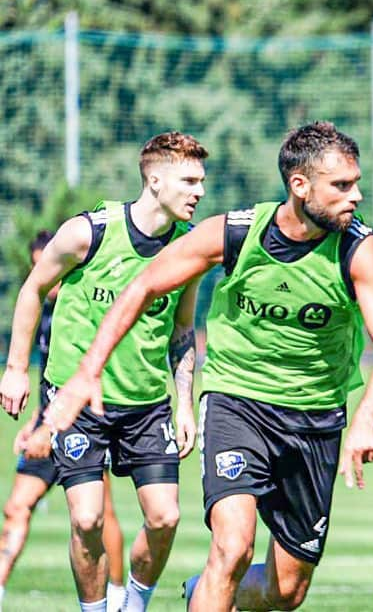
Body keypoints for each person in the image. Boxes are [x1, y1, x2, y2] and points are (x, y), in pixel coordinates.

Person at [40, 121, 373, 612]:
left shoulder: (356, 249)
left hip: (316, 417)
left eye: (356, 182)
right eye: (342, 185)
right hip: (238, 402)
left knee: (287, 592)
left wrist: (365, 419)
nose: (356, 195)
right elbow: (143, 285)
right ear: (300, 186)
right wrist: (90, 369)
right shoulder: (236, 232)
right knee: (232, 548)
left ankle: (202, 592)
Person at [2, 132, 208, 612]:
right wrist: (15, 370)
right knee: (88, 520)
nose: (199, 191)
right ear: (155, 180)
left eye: (201, 181)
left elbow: (182, 332)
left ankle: (133, 603)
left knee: (165, 518)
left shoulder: (188, 250)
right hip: (77, 403)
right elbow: (33, 290)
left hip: (146, 404)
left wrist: (184, 404)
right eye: (189, 180)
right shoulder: (87, 232)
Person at [0, 231, 125, 612]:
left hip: (83, 426)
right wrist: (37, 419)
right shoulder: (42, 315)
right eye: (39, 265)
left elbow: (89, 377)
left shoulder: (84, 311)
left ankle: (118, 595)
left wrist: (50, 426)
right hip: (44, 427)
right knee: (16, 507)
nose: (47, 275)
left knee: (98, 516)